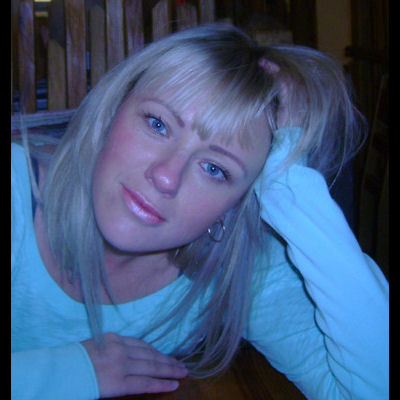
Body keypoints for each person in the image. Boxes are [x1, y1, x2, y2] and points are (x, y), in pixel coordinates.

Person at [11, 23, 388, 399]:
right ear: (113, 111)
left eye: (215, 169)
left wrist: (292, 191)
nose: (166, 177)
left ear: (238, 202)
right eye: (158, 124)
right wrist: (69, 372)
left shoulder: (239, 269)